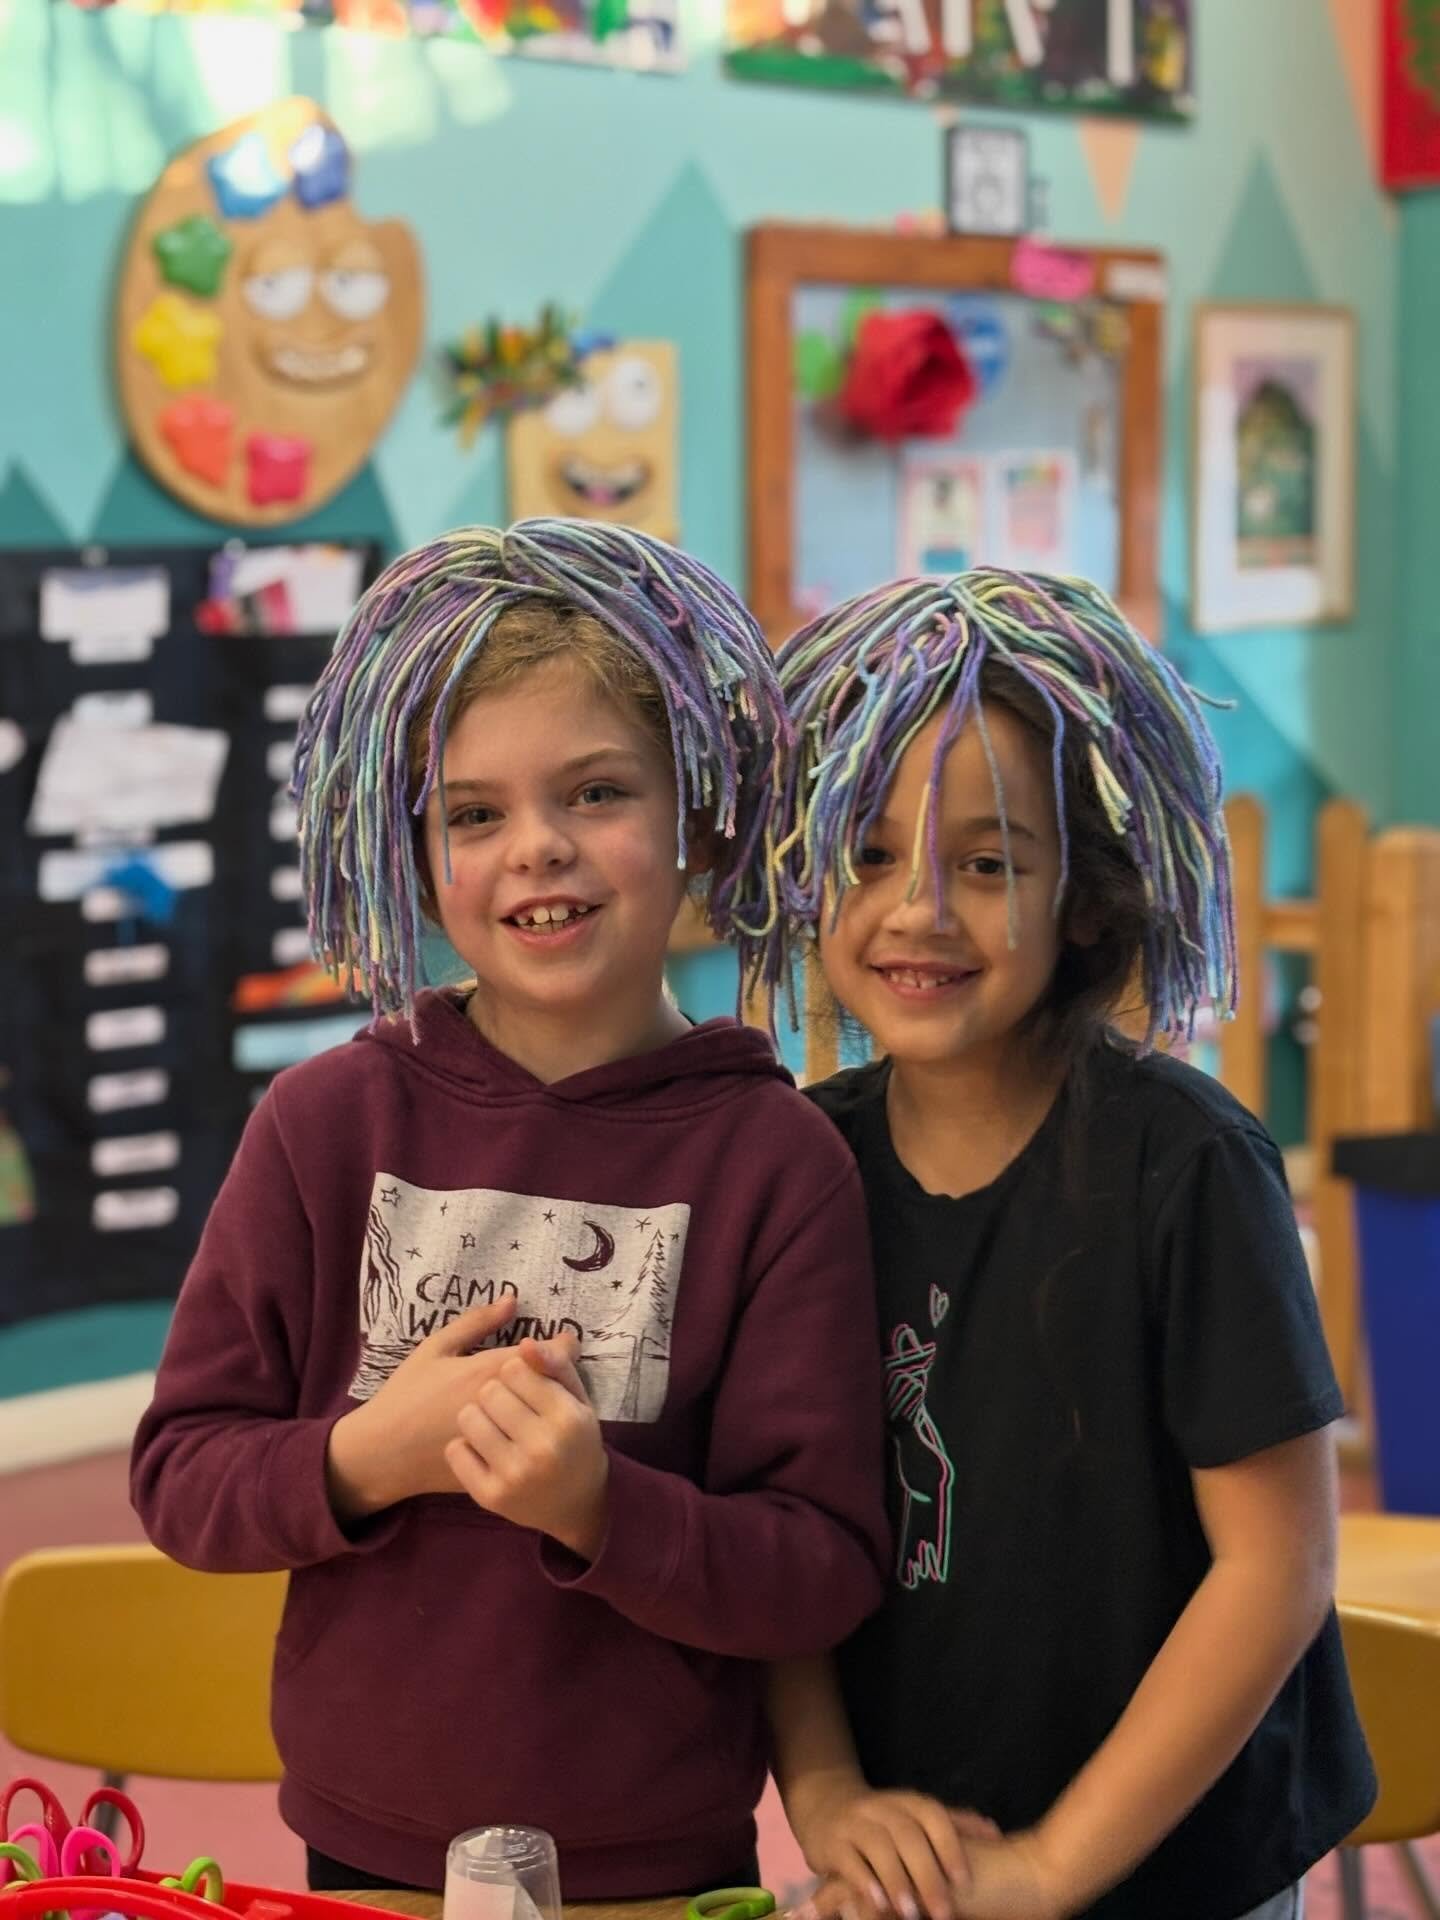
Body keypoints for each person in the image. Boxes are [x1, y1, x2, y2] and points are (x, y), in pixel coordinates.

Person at [131, 519, 889, 1899]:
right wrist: (371, 1456)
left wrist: (601, 1507)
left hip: (656, 1864)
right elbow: (184, 1476)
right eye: (475, 814)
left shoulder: (780, 1167)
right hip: (359, 1851)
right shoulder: (323, 1127)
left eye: (596, 791)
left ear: (697, 814)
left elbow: (821, 1569)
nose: (536, 850)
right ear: (418, 851)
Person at [754, 570, 1375, 1920]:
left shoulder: (1189, 1166)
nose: (918, 909)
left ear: (1084, 897)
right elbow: (778, 1530)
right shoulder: (802, 1162)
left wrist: (1053, 1870)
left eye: (986, 863)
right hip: (916, 1865)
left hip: (1180, 1874)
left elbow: (1278, 1568)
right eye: (866, 855)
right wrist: (828, 1799)